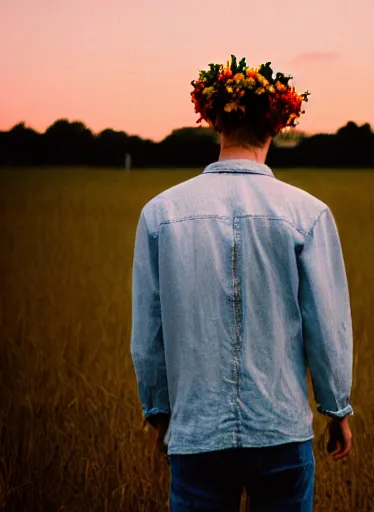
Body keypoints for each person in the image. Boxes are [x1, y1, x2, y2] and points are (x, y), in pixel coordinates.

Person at [130, 55, 354, 512]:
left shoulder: (161, 214)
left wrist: (160, 416)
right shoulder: (308, 214)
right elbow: (326, 326)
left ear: (214, 120)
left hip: (196, 433)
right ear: (277, 126)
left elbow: (148, 334)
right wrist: (336, 409)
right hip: (281, 429)